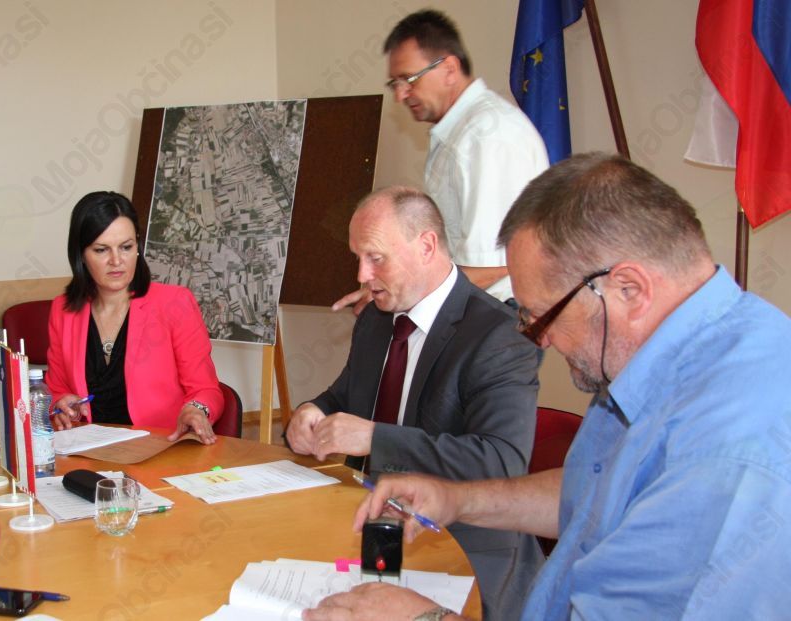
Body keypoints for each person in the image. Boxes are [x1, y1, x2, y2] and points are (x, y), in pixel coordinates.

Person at [305, 153, 791, 621]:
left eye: (542, 316)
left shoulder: (729, 455)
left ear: (629, 289)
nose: (539, 339)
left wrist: (425, 618)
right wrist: (459, 500)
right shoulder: (664, 355)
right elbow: (594, 489)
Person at [286, 186, 541, 621]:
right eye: (357, 258)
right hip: (375, 527)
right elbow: (345, 396)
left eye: (375, 258)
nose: (362, 275)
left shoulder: (499, 335)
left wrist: (375, 438)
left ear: (426, 246)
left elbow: (501, 461)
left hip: (465, 541)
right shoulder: (375, 319)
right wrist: (312, 411)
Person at [335, 9, 548, 314]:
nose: (401, 95)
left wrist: (403, 292)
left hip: (499, 318)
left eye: (409, 79)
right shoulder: (460, 131)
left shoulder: (487, 136)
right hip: (472, 312)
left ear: (449, 68)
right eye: (395, 83)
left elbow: (490, 270)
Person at [45, 191, 223, 443]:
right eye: (101, 250)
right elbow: (56, 389)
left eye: (126, 247)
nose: (116, 260)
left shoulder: (175, 303)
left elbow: (206, 389)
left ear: (137, 247)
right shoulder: (63, 310)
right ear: (81, 255)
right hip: (88, 449)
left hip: (159, 446)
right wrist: (60, 403)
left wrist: (197, 409)